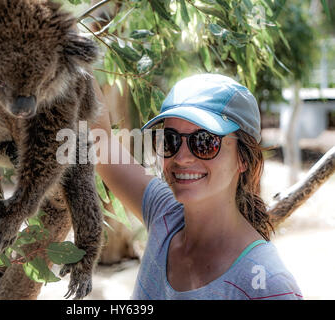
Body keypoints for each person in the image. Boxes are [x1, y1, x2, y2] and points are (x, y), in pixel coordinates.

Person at [91, 73, 303, 300]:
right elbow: (99, 140)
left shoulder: (266, 284)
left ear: (243, 159)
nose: (181, 158)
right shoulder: (164, 215)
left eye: (204, 142)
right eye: (170, 140)